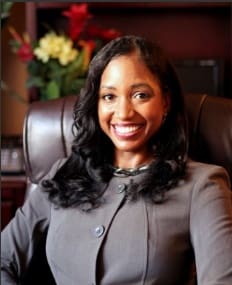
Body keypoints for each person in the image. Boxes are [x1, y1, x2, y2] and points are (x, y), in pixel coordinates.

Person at [1, 35, 232, 285]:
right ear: (96, 103)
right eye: (109, 97)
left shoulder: (202, 186)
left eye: (140, 95)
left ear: (165, 101)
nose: (123, 113)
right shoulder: (64, 174)